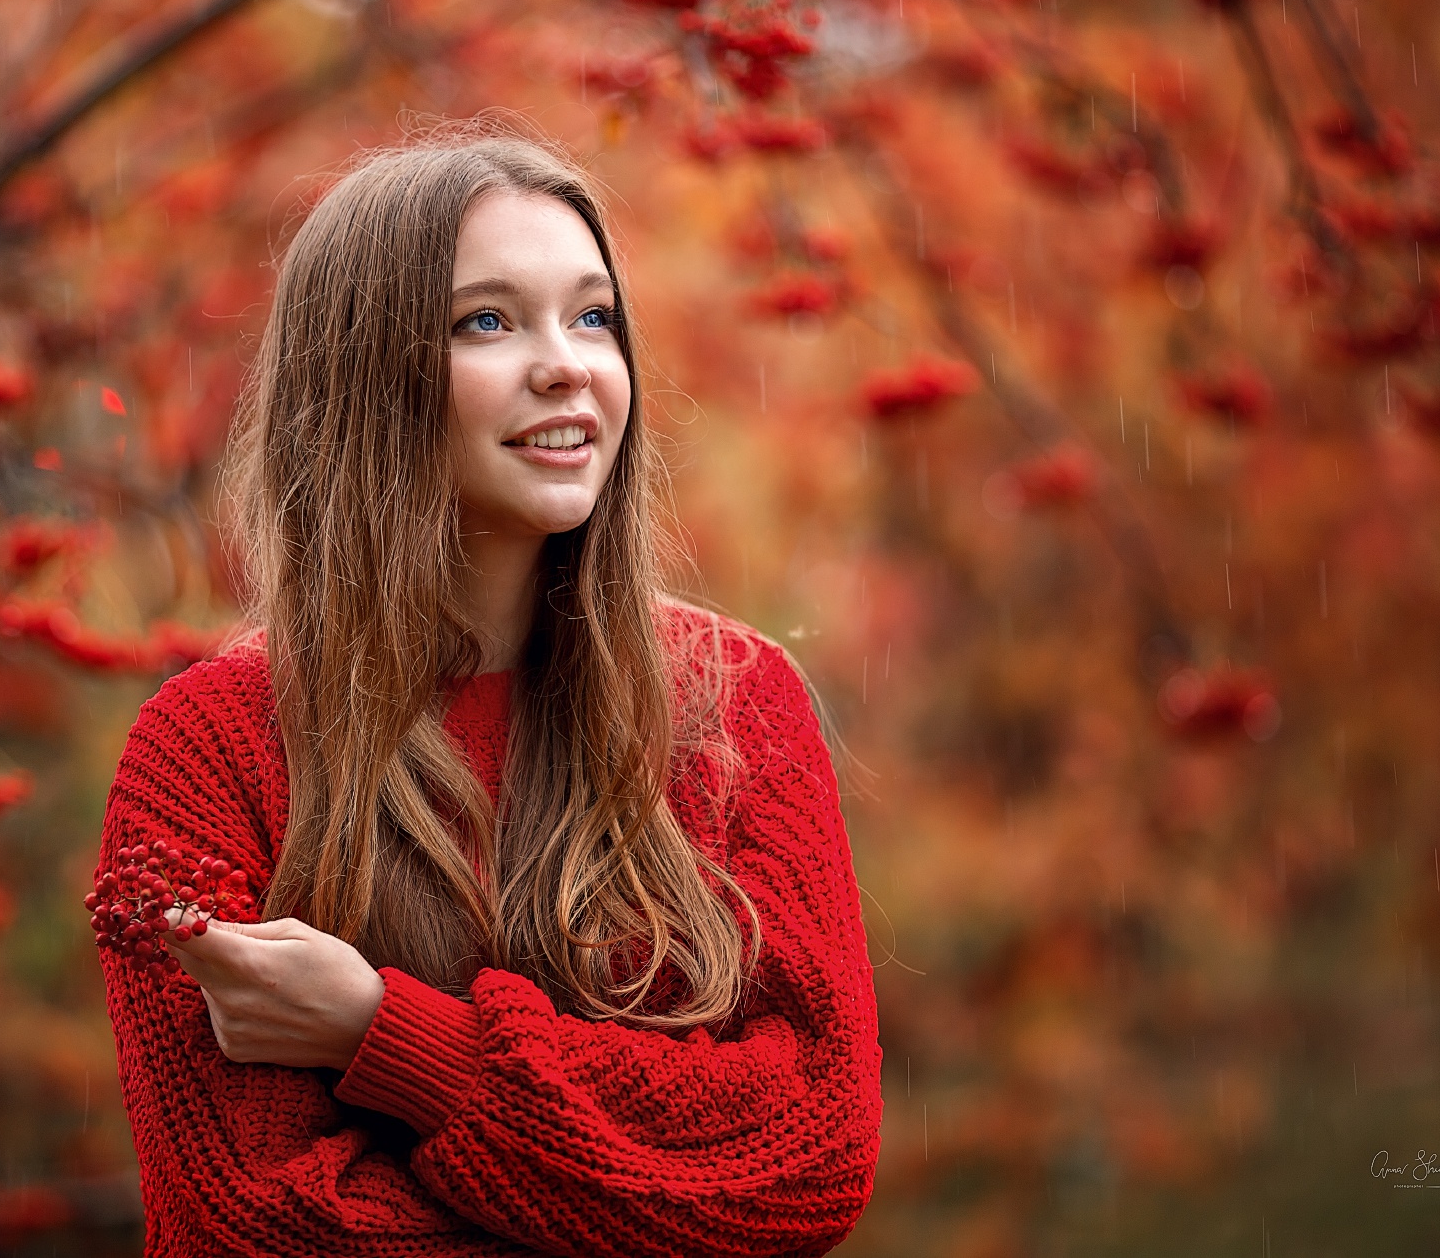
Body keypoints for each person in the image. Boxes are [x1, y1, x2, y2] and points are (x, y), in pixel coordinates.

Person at [95, 130, 882, 1257]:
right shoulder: (207, 750)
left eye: (592, 315)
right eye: (487, 321)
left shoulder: (738, 707)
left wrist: (391, 1038)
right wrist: (646, 1199)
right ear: (365, 374)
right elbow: (255, 1223)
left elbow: (807, 1157)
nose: (566, 363)